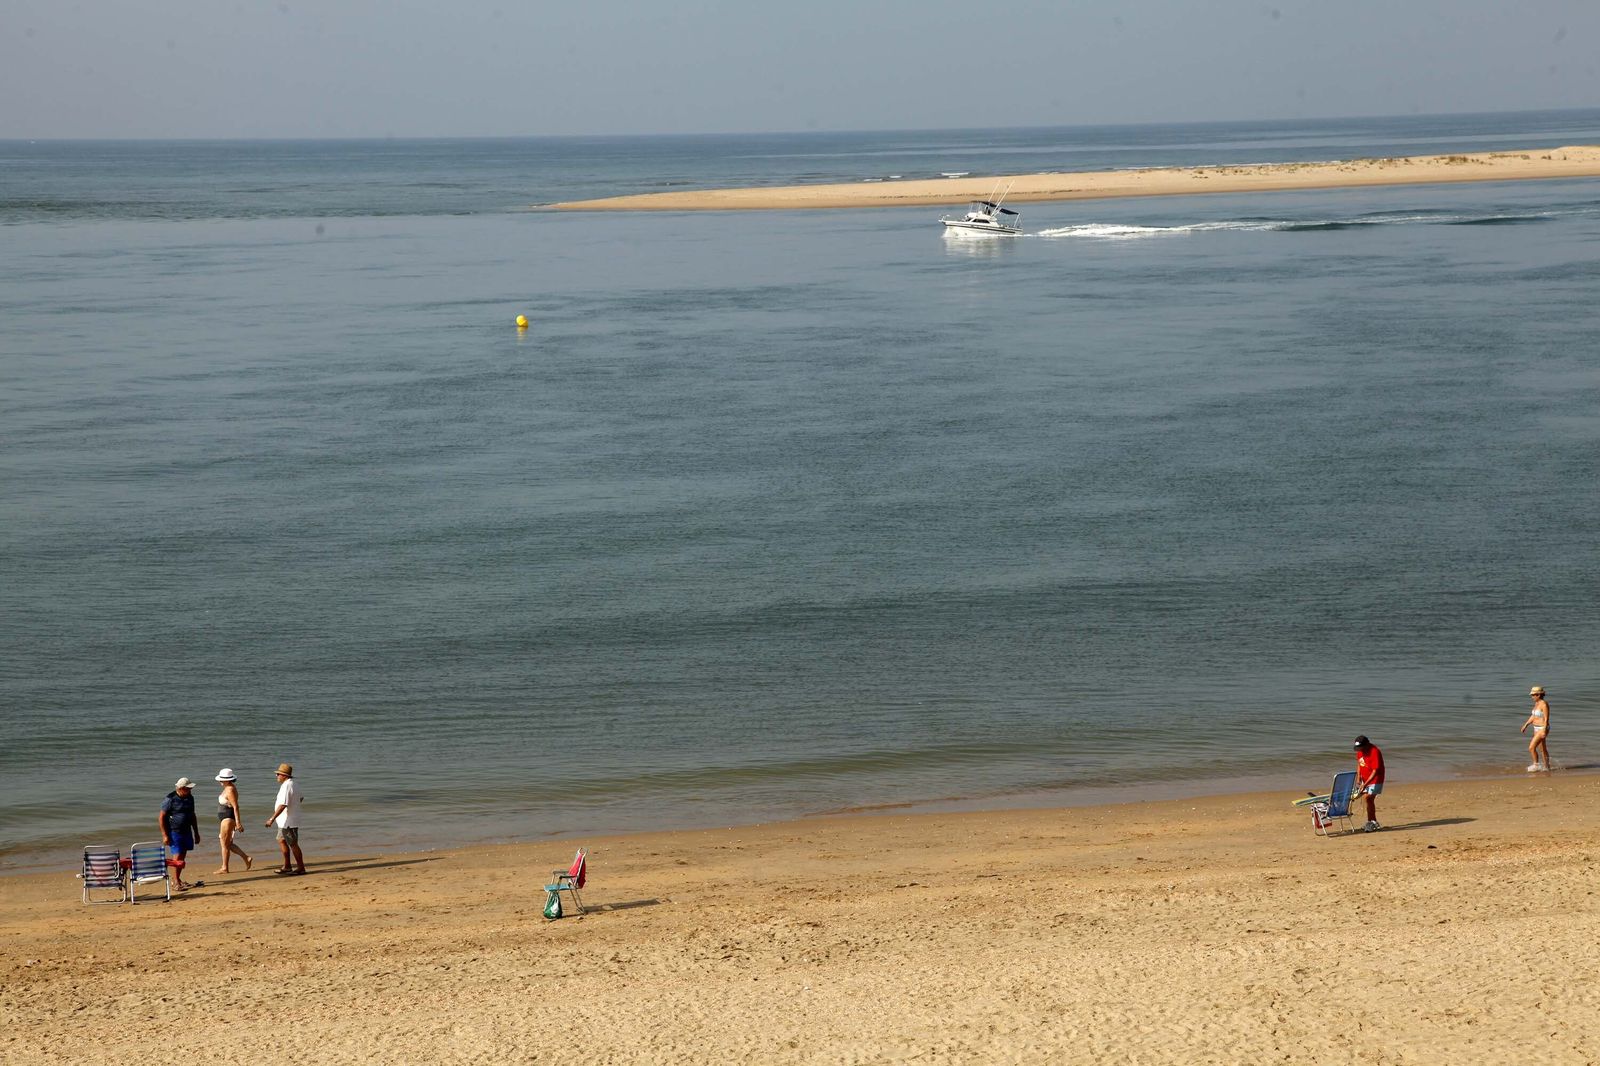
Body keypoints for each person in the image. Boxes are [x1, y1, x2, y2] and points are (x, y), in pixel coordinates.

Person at [159, 777, 202, 890]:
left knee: (182, 856)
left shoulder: (190, 798)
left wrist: (196, 833)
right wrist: (165, 835)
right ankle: (175, 882)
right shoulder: (170, 799)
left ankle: (177, 879)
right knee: (177, 856)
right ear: (181, 788)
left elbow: (193, 815)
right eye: (188, 789)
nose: (190, 790)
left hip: (186, 830)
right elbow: (161, 817)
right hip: (174, 832)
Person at [264, 762, 306, 875]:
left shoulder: (287, 785)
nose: (276, 776)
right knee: (281, 840)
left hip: (288, 821)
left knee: (293, 844)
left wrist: (271, 819)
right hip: (285, 820)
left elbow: (283, 805)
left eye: (278, 774)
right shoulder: (294, 784)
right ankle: (287, 866)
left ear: (284, 775)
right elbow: (301, 798)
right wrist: (294, 807)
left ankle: (301, 867)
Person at [213, 768, 253, 874]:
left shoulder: (230, 789)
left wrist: (238, 823)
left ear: (227, 780)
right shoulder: (228, 788)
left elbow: (236, 807)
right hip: (226, 819)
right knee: (228, 844)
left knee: (224, 844)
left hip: (228, 819)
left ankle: (224, 868)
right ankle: (246, 858)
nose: (220, 781)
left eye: (222, 779)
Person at [1352, 736, 1384, 833]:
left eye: (1361, 747)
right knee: (1368, 800)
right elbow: (1359, 763)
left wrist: (1365, 784)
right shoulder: (1360, 751)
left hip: (1375, 779)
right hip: (1364, 779)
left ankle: (1372, 822)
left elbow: (1375, 771)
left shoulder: (1375, 752)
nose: (1359, 750)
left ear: (1366, 745)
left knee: (1368, 798)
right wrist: (1359, 777)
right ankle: (1371, 821)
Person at [1521, 685, 1552, 772]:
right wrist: (1526, 724)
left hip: (1542, 728)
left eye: (1533, 695)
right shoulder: (1536, 703)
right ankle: (1547, 767)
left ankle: (1536, 765)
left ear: (1538, 695)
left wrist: (1544, 730)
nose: (1532, 697)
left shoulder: (1544, 704)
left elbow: (1546, 718)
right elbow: (1533, 716)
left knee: (1531, 747)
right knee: (1542, 749)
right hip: (1536, 728)